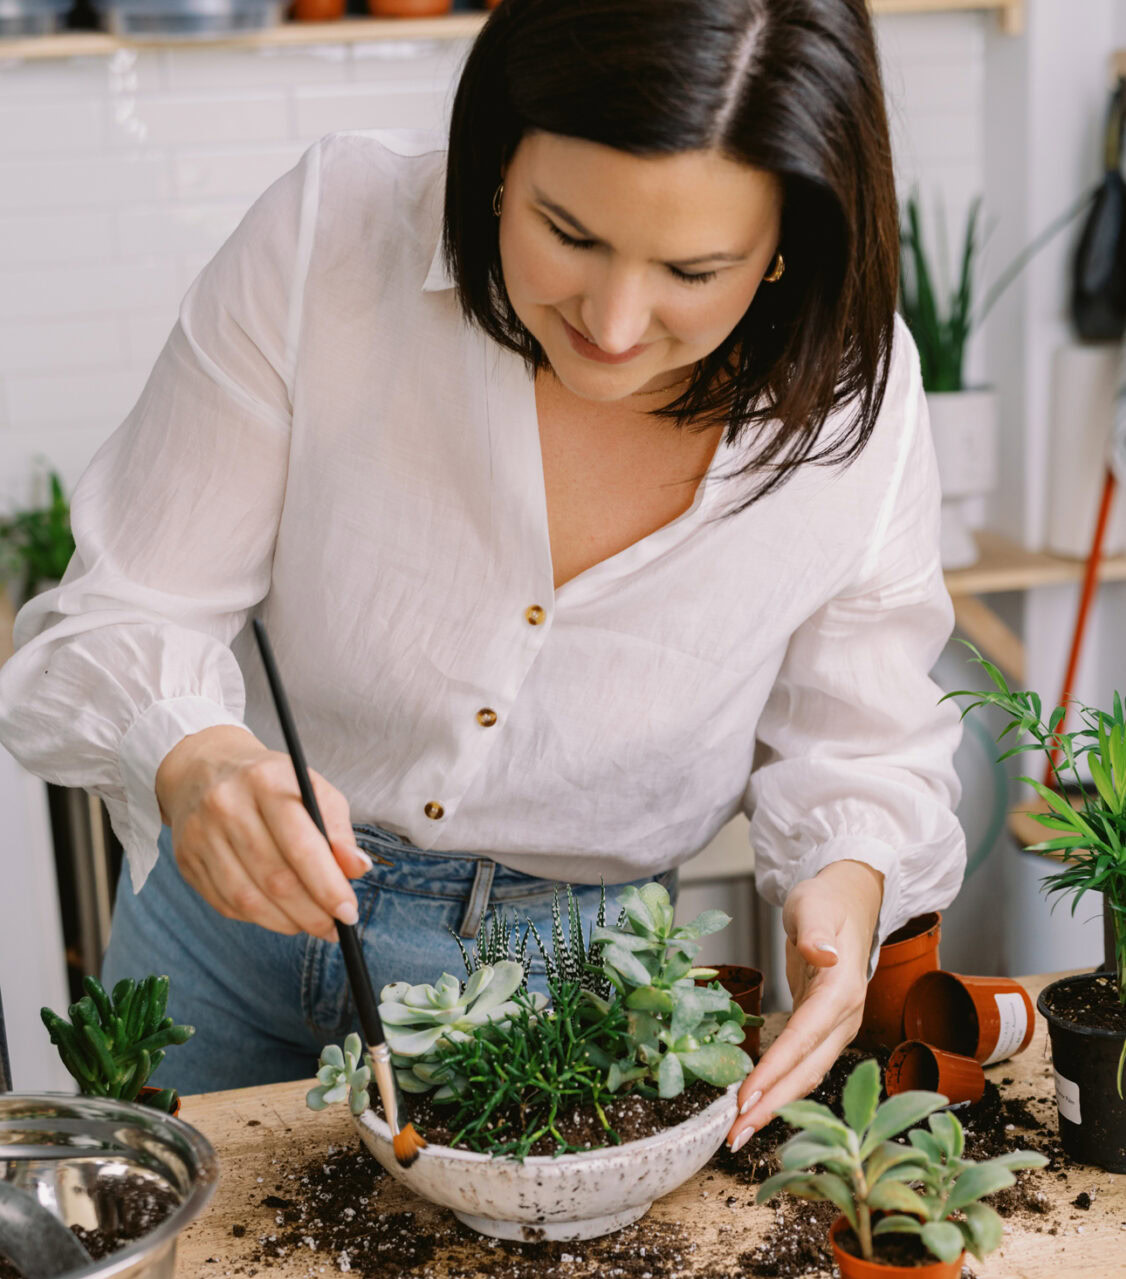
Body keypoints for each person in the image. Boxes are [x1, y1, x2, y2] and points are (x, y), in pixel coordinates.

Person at [0, 0, 965, 1145]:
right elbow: (111, 615)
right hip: (227, 942)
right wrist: (190, 755)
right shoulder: (334, 236)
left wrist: (844, 896)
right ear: (498, 153)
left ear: (787, 242)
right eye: (569, 232)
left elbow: (863, 744)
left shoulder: (859, 399)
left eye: (692, 269)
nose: (612, 322)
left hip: (571, 997)